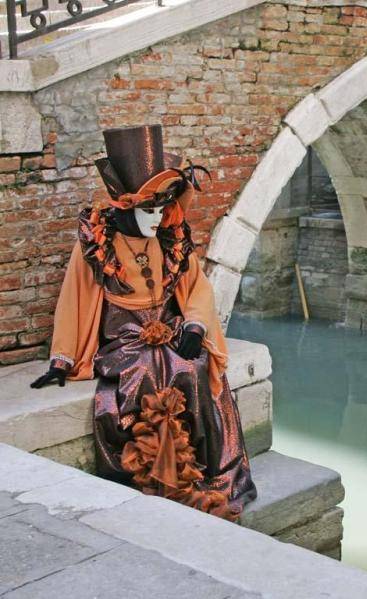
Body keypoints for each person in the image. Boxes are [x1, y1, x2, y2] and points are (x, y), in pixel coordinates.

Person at [30, 124, 256, 520]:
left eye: (161, 209)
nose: (158, 218)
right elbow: (74, 298)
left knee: (194, 365)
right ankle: (156, 470)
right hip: (123, 341)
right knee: (148, 370)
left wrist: (196, 326)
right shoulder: (97, 244)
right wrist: (62, 359)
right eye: (149, 210)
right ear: (125, 208)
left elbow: (197, 288)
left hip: (170, 330)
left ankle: (201, 468)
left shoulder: (170, 239)